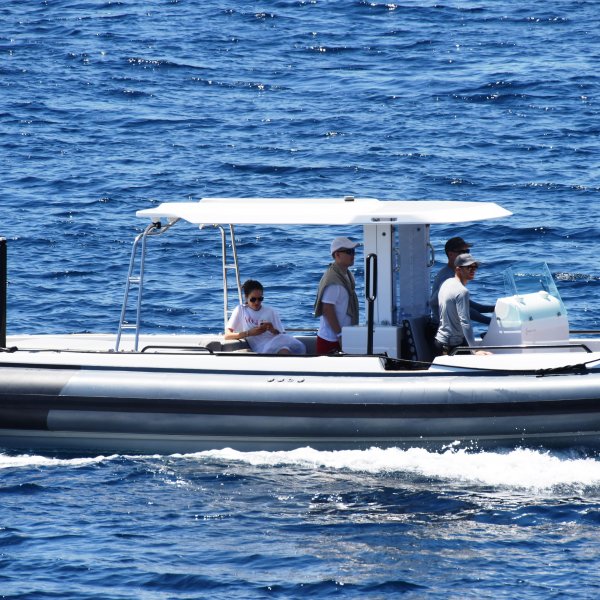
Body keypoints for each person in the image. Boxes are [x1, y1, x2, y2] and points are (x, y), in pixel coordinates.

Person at [225, 279, 306, 355]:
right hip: (261, 347)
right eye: (253, 299)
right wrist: (249, 333)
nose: (257, 302)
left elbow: (281, 334)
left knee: (284, 350)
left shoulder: (270, 311)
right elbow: (227, 335)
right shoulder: (241, 310)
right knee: (283, 352)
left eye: (260, 299)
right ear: (246, 297)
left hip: (277, 342)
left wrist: (272, 329)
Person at [434, 253, 492, 356]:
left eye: (475, 267)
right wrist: (474, 351)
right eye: (469, 267)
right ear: (458, 269)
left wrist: (495, 308)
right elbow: (465, 322)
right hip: (451, 346)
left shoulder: (447, 283)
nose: (473, 270)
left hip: (440, 341)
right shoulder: (462, 291)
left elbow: (477, 307)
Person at [430, 236, 495, 326]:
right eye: (462, 252)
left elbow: (469, 305)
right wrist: (493, 322)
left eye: (467, 252)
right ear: (450, 254)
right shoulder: (448, 278)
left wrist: (495, 308)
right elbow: (434, 302)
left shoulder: (454, 274)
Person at [314, 236, 359, 354]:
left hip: (342, 337)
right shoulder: (333, 281)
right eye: (349, 252)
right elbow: (327, 309)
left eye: (353, 251)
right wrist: (340, 335)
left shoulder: (347, 275)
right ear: (337, 255)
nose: (353, 255)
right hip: (331, 340)